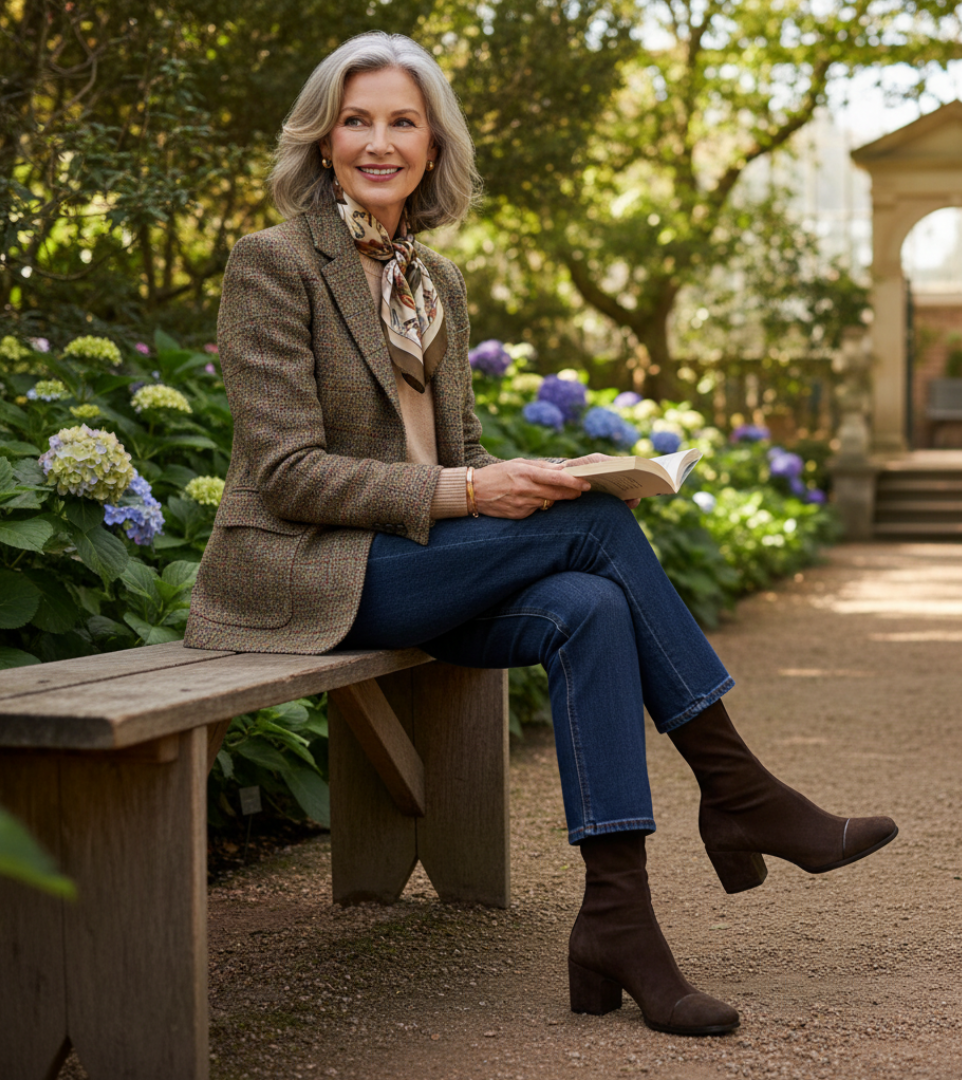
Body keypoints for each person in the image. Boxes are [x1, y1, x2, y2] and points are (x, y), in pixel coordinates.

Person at [185, 31, 896, 1037]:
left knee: (590, 603)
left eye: (401, 122)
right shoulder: (274, 264)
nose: (378, 142)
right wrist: (480, 494)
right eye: (356, 121)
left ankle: (617, 919)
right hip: (314, 573)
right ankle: (738, 792)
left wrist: (542, 480)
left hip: (421, 567)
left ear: (433, 144)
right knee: (596, 530)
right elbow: (288, 473)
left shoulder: (433, 281)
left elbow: (462, 451)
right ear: (322, 139)